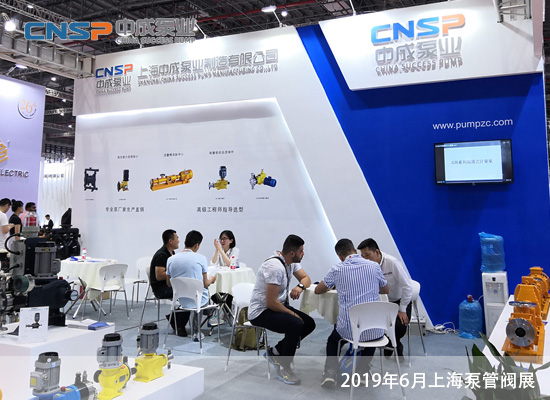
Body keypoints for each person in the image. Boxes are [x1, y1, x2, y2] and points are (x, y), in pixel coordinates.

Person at [315, 238, 389, 388]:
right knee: (372, 331)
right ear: (355, 251)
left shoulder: (337, 269)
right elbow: (385, 289)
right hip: (375, 329)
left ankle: (330, 371)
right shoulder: (374, 266)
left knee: (333, 339)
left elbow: (318, 290)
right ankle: (362, 370)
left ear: (340, 256)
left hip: (349, 330)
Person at [248, 234, 316, 385]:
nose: (303, 254)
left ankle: (276, 352)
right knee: (296, 324)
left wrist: (299, 286)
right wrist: (292, 314)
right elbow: (271, 303)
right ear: (292, 253)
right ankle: (284, 368)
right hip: (261, 312)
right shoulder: (275, 267)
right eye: (301, 251)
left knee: (309, 323)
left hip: (277, 306)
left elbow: (306, 278)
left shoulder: (291, 263)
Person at [358, 238, 413, 361]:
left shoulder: (392, 263)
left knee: (399, 327)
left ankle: (394, 344)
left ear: (377, 252)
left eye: (367, 255)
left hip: (398, 302)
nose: (365, 259)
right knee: (368, 323)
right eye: (362, 256)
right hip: (381, 302)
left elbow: (407, 287)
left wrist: (402, 309)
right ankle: (392, 343)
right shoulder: (365, 266)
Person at [166, 230, 216, 342]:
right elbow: (205, 284)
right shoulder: (201, 258)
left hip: (182, 300)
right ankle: (198, 329)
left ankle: (209, 314)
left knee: (197, 296)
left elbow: (169, 283)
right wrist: (212, 280)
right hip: (199, 300)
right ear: (197, 245)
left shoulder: (170, 259)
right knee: (204, 297)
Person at [149, 229, 188, 337]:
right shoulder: (162, 255)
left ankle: (177, 321)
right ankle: (178, 324)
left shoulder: (171, 254)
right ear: (171, 241)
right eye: (177, 238)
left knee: (188, 292)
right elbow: (159, 275)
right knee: (187, 294)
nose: (179, 241)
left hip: (170, 285)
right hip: (161, 288)